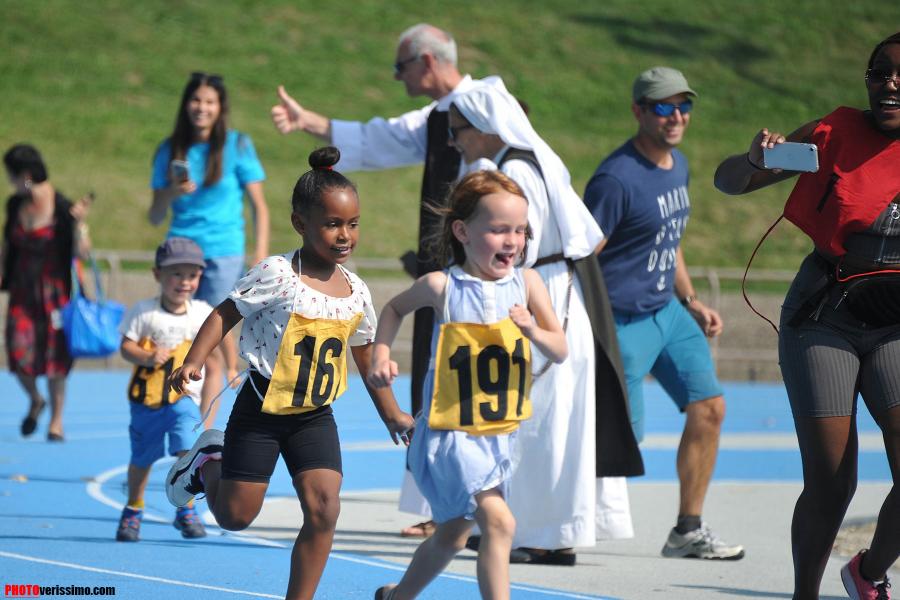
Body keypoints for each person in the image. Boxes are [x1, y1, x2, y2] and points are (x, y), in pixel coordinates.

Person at [164, 147, 414, 600]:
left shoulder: (356, 291)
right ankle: (208, 462)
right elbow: (225, 312)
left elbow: (364, 355)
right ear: (301, 223)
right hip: (261, 411)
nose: (345, 235)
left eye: (353, 224)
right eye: (332, 224)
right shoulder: (277, 273)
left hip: (314, 417)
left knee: (325, 510)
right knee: (236, 516)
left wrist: (392, 413)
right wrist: (195, 360)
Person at [270, 25, 488, 536]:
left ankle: (480, 504)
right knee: (439, 378)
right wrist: (309, 122)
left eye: (400, 67)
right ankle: (448, 504)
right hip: (449, 270)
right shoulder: (439, 117)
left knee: (473, 384)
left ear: (427, 62)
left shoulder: (486, 105)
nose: (396, 77)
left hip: (489, 274)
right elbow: (378, 138)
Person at [713, 32, 900, 600]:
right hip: (825, 318)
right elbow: (729, 181)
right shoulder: (831, 134)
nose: (890, 83)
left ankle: (867, 574)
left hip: (893, 323)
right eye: (879, 72)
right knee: (832, 481)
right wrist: (753, 161)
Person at [445, 80, 643, 563]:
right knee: (544, 417)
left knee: (540, 418)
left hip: (540, 294)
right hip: (551, 289)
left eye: (457, 130)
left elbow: (519, 246)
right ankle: (535, 529)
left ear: (483, 126)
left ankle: (540, 535)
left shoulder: (515, 169)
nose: (454, 141)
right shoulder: (526, 160)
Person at [369, 170, 568, 600]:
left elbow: (560, 349)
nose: (512, 241)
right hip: (450, 435)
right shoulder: (443, 286)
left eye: (520, 230)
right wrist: (381, 354)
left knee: (453, 535)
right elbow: (393, 309)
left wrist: (532, 329)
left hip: (496, 435)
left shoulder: (527, 283)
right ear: (463, 232)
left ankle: (397, 597)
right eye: (498, 230)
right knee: (500, 523)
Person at [584, 67, 744, 560]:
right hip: (619, 324)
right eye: (662, 107)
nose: (676, 116)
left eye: (683, 105)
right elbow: (582, 257)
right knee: (617, 441)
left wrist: (691, 301)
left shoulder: (679, 165)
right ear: (638, 111)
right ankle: (524, 518)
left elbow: (668, 239)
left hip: (667, 313)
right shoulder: (615, 180)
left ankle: (687, 531)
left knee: (710, 409)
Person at [149, 71, 267, 426]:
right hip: (181, 251)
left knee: (211, 334)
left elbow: (259, 206)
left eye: (210, 102)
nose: (202, 108)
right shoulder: (169, 150)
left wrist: (260, 252)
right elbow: (155, 216)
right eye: (196, 100)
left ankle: (203, 429)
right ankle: (193, 422)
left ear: (220, 107)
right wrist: (172, 191)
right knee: (186, 336)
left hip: (223, 251)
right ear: (186, 104)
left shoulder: (238, 145)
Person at [116, 237, 234, 542]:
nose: (184, 282)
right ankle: (134, 508)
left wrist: (232, 369)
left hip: (183, 400)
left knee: (190, 452)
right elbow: (126, 346)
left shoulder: (202, 312)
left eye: (191, 275)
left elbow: (222, 340)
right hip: (147, 402)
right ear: (158, 275)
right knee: (142, 459)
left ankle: (186, 508)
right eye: (176, 274)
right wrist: (145, 356)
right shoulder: (144, 313)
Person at [2, 144, 92, 442]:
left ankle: (56, 421)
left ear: (26, 175)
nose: (10, 182)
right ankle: (35, 399)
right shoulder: (15, 204)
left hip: (55, 293)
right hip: (22, 291)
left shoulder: (63, 207)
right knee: (17, 350)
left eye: (12, 175)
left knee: (56, 357)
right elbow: (7, 244)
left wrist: (80, 224)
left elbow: (82, 253)